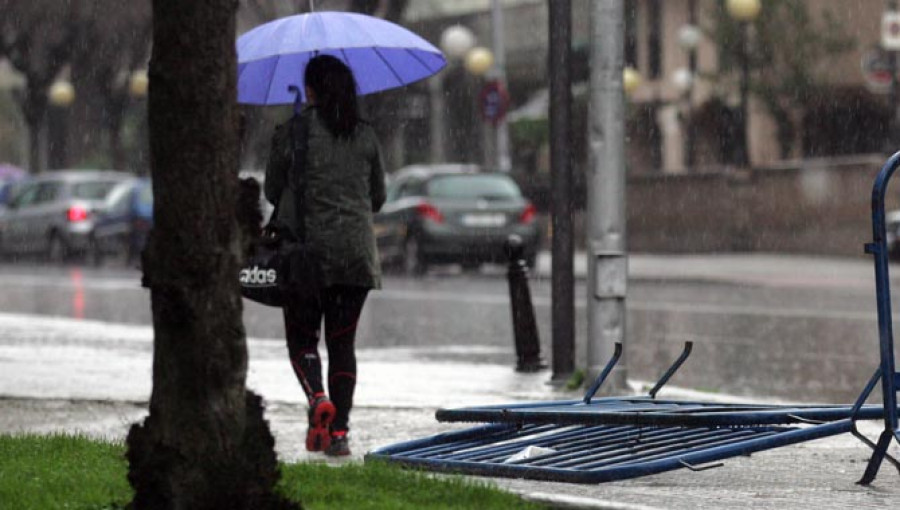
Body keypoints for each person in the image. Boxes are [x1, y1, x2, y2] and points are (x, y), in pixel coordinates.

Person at [265, 55, 386, 456]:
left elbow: (271, 190)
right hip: (356, 257)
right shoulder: (366, 134)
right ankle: (339, 434)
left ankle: (318, 398)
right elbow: (379, 197)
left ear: (311, 90)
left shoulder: (295, 131)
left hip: (307, 256)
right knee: (342, 343)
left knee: (302, 340)